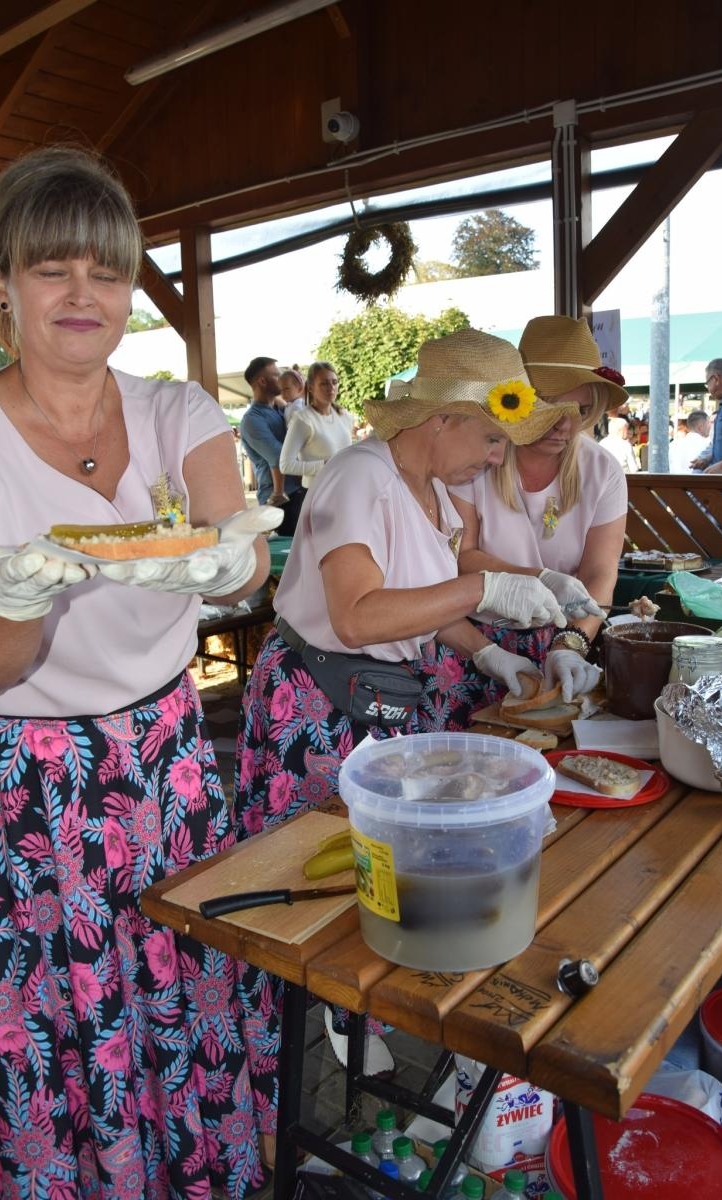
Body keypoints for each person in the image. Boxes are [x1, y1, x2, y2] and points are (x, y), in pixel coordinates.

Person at [0, 146, 281, 1200]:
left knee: (180, 992)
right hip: (20, 786)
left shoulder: (177, 407)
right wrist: (19, 598)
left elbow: (233, 531)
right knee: (51, 1020)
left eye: (107, 268)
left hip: (165, 761)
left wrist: (236, 554)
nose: (83, 293)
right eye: (53, 268)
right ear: (2, 282)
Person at [233, 328, 578, 1072]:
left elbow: (419, 602)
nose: (494, 456)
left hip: (375, 698)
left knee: (375, 863)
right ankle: (283, 1058)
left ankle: (355, 1011)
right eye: (489, 436)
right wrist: (485, 590)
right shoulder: (360, 476)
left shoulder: (433, 495)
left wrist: (481, 648)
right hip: (316, 699)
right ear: (439, 419)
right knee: (303, 878)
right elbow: (358, 613)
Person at [451, 315, 628, 703]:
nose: (564, 425)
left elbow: (600, 573)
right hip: (475, 640)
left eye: (579, 410)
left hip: (568, 635)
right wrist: (541, 577)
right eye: (548, 405)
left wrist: (571, 642)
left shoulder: (602, 470)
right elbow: (460, 558)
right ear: (518, 398)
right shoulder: (475, 460)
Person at [239, 356, 305, 533]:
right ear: (262, 381)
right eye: (276, 375)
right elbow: (279, 457)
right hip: (281, 501)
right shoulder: (252, 420)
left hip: (298, 492)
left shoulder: (281, 408)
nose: (283, 378)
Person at [279, 360, 354, 488]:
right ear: (311, 387)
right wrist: (325, 465)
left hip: (345, 489)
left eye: (334, 382)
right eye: (324, 383)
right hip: (318, 494)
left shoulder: (344, 415)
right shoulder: (303, 419)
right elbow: (286, 465)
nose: (331, 387)